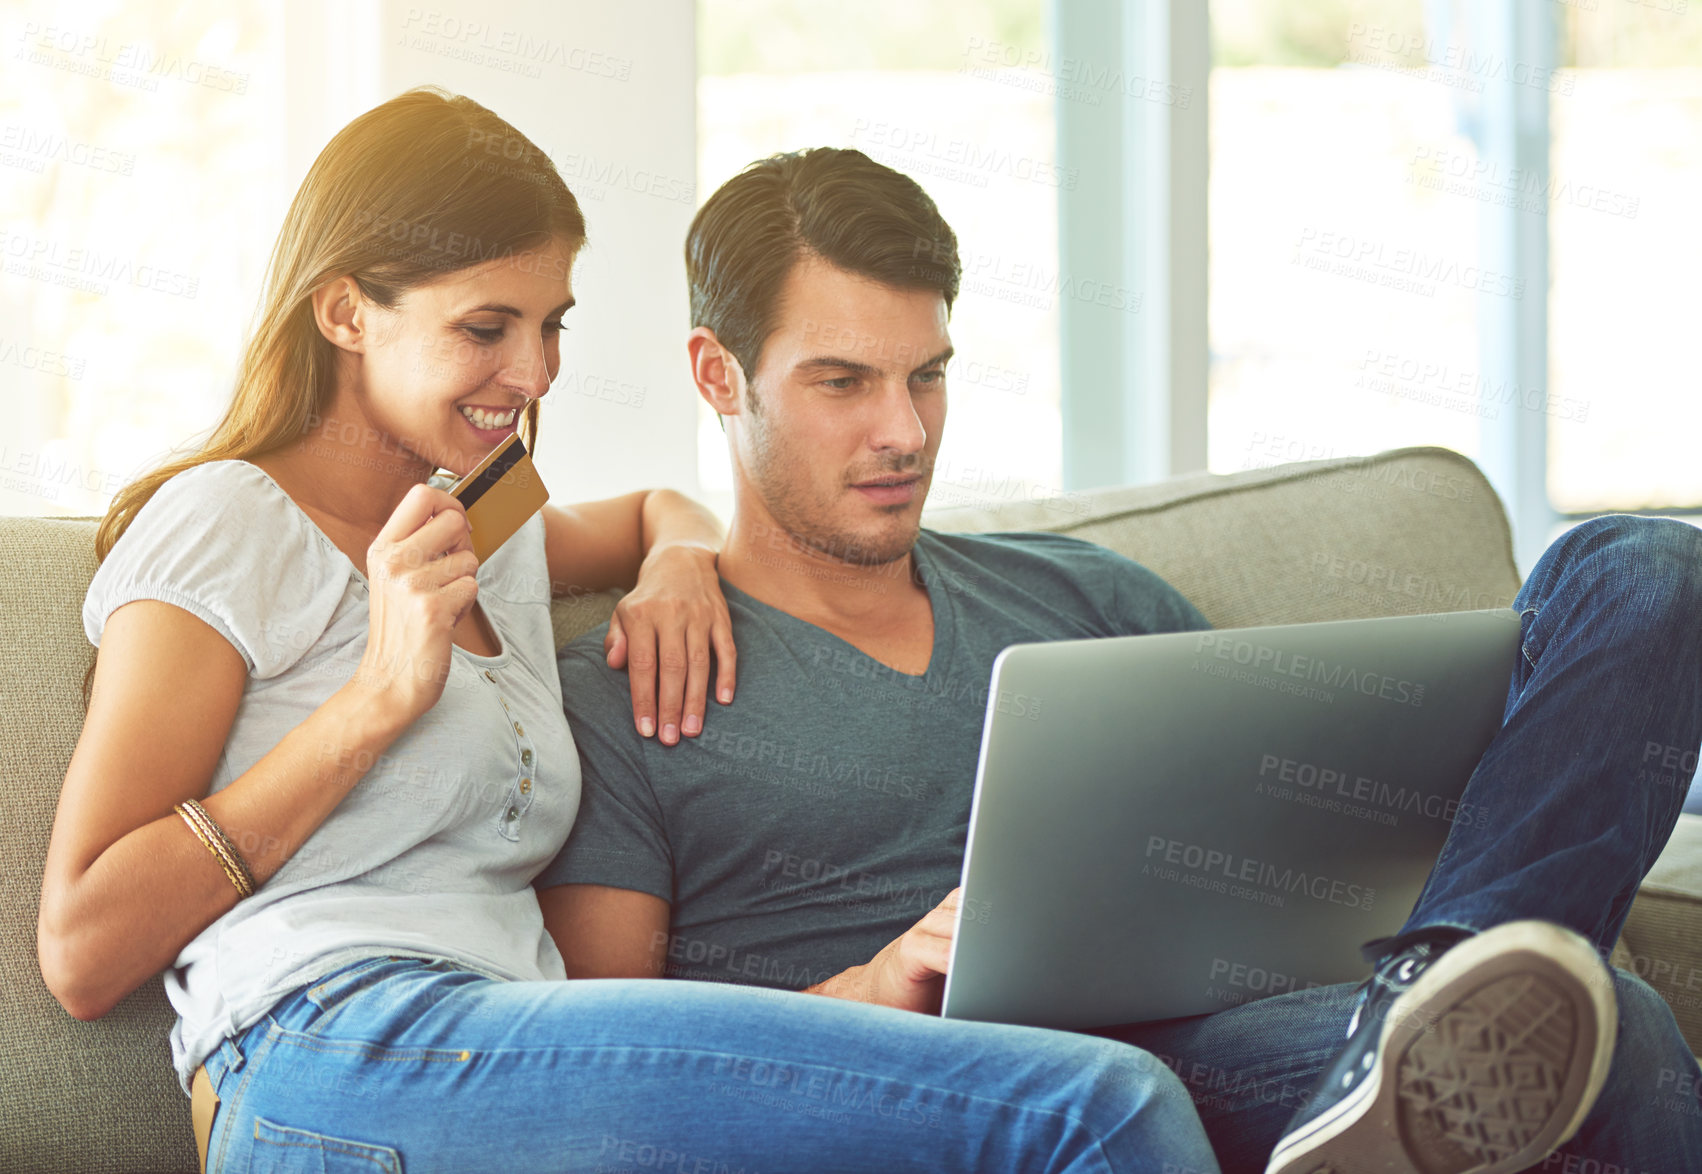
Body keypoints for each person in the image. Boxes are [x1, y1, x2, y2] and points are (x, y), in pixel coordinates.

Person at [37, 91, 1222, 1174]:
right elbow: (83, 948)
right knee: (1094, 1111)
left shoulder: (481, 515)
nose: (533, 372)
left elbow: (658, 507)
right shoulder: (225, 521)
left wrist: (677, 559)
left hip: (516, 1038)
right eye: (486, 327)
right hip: (325, 1041)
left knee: (1093, 1096)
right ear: (346, 311)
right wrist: (378, 698)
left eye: (552, 324)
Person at [535, 146, 1702, 1174]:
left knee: (1646, 570)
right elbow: (612, 1072)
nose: (903, 431)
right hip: (1011, 1094)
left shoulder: (1082, 595)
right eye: (842, 382)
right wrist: (871, 990)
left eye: (927, 374)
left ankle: (1437, 988)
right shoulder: (629, 685)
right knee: (1623, 1030)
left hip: (1256, 1025)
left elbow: (1284, 809)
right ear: (715, 374)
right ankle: (1435, 1026)